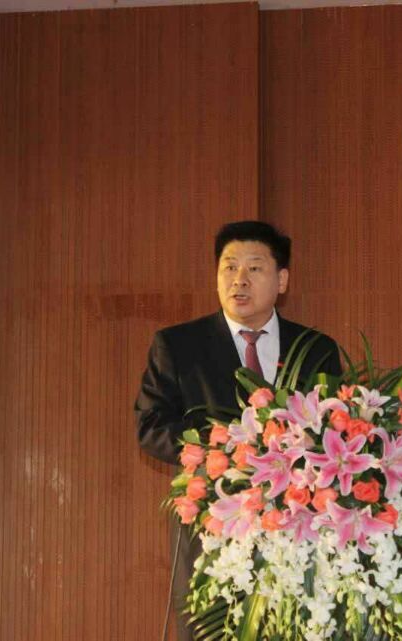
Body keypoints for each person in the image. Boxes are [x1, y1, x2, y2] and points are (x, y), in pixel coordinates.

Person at [134, 220, 342, 641]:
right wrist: (221, 450)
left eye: (254, 268)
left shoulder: (315, 348)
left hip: (299, 526)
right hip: (212, 524)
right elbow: (151, 424)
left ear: (282, 280)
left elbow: (336, 428)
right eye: (229, 267)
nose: (239, 279)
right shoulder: (178, 345)